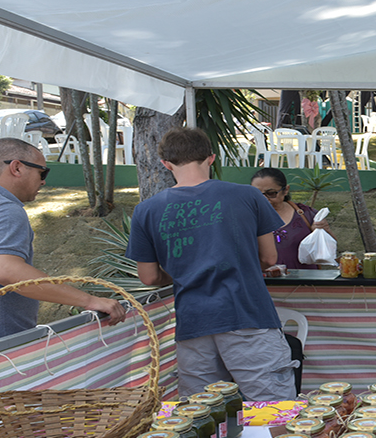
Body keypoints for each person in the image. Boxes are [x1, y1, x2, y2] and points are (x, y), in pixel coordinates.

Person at [126, 127, 296, 400]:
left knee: (202, 415)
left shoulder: (146, 210)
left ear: (166, 164)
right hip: (247, 314)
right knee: (272, 409)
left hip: (193, 323)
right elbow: (269, 258)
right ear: (211, 158)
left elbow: (148, 277)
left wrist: (187, 270)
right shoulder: (248, 195)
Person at [0, 138, 126, 342]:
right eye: (42, 172)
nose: (43, 181)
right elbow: (6, 270)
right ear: (17, 167)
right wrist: (89, 300)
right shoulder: (1, 208)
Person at [250, 168, 333, 270]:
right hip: (263, 282)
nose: (264, 198)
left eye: (271, 193)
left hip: (305, 281)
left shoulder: (306, 215)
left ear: (285, 190)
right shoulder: (245, 218)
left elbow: (328, 249)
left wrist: (324, 231)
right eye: (257, 194)